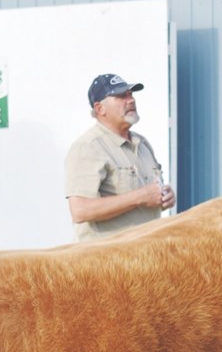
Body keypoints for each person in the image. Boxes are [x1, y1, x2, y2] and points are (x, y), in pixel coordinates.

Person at [64, 73, 176, 241]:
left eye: (131, 94)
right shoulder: (88, 147)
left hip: (146, 255)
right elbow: (80, 211)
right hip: (107, 260)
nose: (131, 100)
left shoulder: (142, 144)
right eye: (121, 96)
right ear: (100, 108)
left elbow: (148, 197)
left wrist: (165, 198)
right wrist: (140, 197)